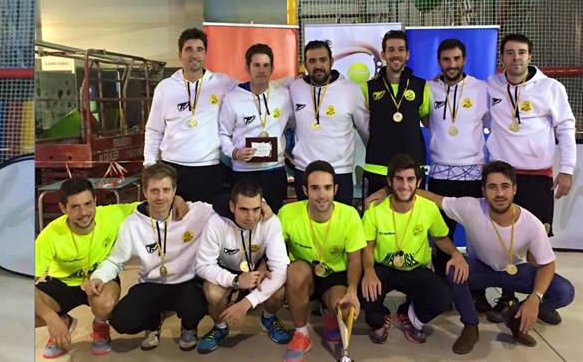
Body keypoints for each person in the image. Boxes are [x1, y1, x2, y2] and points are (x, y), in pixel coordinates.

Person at [390, 161, 576, 353]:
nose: (499, 193)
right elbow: (435, 198)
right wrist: (391, 192)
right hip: (480, 269)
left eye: (505, 186)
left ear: (514, 189)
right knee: (454, 270)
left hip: (516, 272)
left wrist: (535, 299)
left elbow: (547, 264)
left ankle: (515, 316)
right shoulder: (471, 207)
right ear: (483, 190)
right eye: (492, 187)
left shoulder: (532, 223)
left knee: (564, 291)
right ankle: (470, 326)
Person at [35, 178, 187, 358]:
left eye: (88, 204)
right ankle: (63, 320)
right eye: (75, 207)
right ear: (63, 208)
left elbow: (152, 203)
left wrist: (177, 199)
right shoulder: (49, 235)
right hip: (62, 283)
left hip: (101, 280)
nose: (84, 213)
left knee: (105, 304)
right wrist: (50, 317)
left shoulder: (112, 214)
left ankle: (100, 326)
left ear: (95, 201)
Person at [484, 33, 576, 323]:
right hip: (503, 178)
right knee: (505, 241)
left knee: (538, 243)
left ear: (530, 56)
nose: (516, 58)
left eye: (521, 52)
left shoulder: (551, 88)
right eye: (510, 53)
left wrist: (567, 169)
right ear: (502, 57)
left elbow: (566, 127)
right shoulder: (491, 85)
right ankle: (507, 297)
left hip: (537, 177)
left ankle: (538, 299)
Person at [83, 163, 217, 352]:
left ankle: (189, 327)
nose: (160, 197)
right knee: (121, 321)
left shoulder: (196, 212)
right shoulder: (132, 224)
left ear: (175, 191)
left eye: (166, 190)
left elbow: (227, 207)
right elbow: (115, 260)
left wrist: (259, 208)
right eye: (154, 191)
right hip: (151, 285)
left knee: (196, 304)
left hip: (186, 283)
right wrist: (98, 277)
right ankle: (152, 324)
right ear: (145, 192)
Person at [359, 154, 462, 346]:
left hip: (415, 269)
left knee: (443, 297)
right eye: (399, 179)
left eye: (410, 179)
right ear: (389, 181)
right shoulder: (375, 210)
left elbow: (440, 238)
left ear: (418, 182)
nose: (405, 185)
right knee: (363, 289)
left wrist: (456, 254)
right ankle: (380, 319)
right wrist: (369, 271)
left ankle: (409, 314)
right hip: (383, 269)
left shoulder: (428, 208)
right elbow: (368, 246)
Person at [423, 38, 493, 313]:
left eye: (456, 59)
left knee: (479, 238)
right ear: (439, 62)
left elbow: (490, 123)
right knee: (442, 236)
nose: (451, 64)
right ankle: (443, 290)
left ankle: (477, 292)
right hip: (440, 174)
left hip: (473, 175)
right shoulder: (429, 89)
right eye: (446, 59)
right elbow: (425, 119)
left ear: (464, 59)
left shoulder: (481, 89)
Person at [278, 160, 364, 362]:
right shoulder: (287, 213)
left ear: (335, 189)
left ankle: (329, 311)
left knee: (345, 309)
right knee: (296, 272)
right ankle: (302, 334)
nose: (322, 195)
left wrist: (352, 290)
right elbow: (276, 251)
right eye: (315, 188)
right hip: (304, 274)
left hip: (335, 276)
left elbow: (355, 260)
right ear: (305, 190)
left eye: (327, 188)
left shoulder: (350, 215)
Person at [194, 179, 291, 354]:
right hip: (226, 270)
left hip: (258, 268)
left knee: (279, 290)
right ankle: (220, 327)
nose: (250, 217)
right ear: (232, 206)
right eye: (243, 209)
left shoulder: (271, 222)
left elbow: (281, 269)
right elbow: (202, 265)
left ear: (262, 205)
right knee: (213, 293)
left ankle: (268, 319)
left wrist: (247, 303)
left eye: (256, 209)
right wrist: (235, 280)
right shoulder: (215, 223)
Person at [144, 28, 238, 203]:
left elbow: (251, 90)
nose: (194, 55)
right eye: (188, 49)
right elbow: (154, 130)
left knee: (206, 218)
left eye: (199, 49)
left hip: (209, 170)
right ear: (180, 54)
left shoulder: (222, 83)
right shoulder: (165, 88)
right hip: (172, 170)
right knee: (175, 218)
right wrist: (150, 165)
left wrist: (286, 85)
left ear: (205, 54)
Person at [289, 42, 369, 206]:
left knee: (341, 221)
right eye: (312, 61)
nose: (318, 65)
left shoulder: (351, 90)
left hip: (339, 172)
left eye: (323, 60)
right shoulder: (295, 88)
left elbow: (366, 131)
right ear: (305, 64)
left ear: (331, 61)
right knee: (306, 221)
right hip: (304, 171)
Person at [219, 44, 294, 212]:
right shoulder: (232, 99)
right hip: (244, 173)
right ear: (247, 68)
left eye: (266, 65)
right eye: (257, 65)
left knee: (274, 218)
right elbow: (223, 133)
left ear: (272, 68)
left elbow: (294, 123)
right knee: (245, 220)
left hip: (275, 171)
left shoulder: (283, 95)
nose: (261, 70)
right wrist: (234, 153)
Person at [362, 30, 431, 196]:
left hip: (411, 170)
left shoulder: (421, 86)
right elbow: (363, 124)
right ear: (383, 54)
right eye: (391, 50)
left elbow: (427, 120)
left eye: (401, 49)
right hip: (377, 167)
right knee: (377, 212)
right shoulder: (368, 88)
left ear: (407, 54)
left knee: (412, 213)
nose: (396, 54)